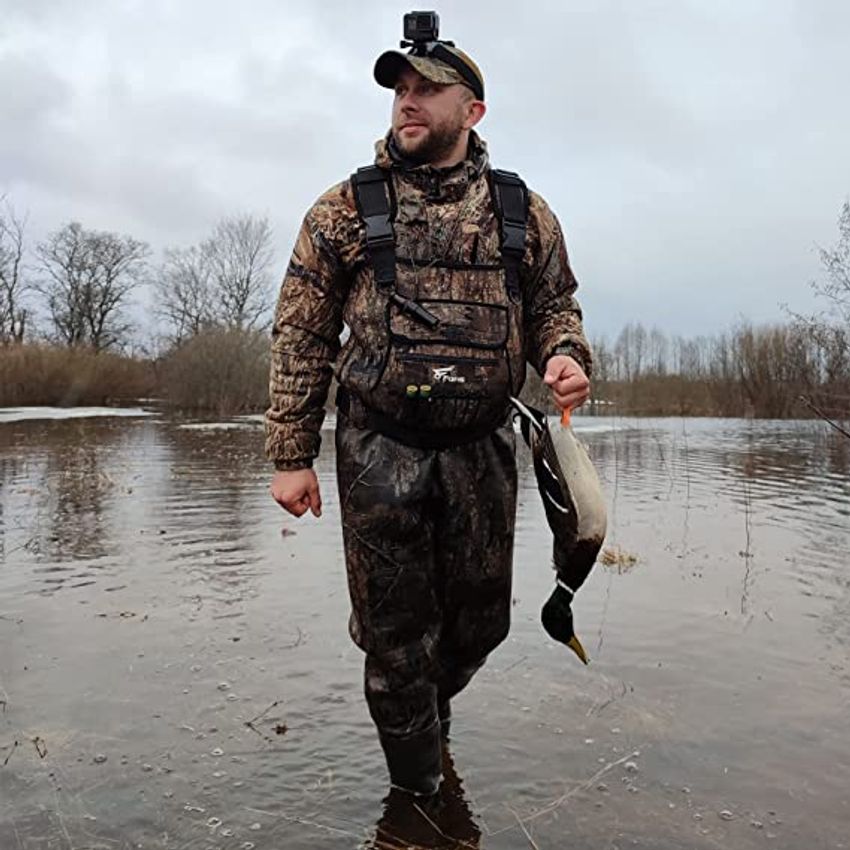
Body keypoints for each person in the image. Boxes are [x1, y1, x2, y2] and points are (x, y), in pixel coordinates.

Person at [265, 16, 592, 798]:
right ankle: (418, 801)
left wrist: (566, 357)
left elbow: (556, 306)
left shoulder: (524, 212)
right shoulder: (344, 209)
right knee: (395, 637)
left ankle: (429, 730)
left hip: (484, 445)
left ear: (472, 111)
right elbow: (299, 333)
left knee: (482, 626)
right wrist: (290, 455)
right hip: (381, 447)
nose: (406, 103)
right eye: (399, 91)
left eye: (425, 90)